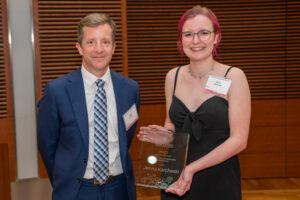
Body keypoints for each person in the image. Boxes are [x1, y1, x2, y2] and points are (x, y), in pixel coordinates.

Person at [137, 5, 251, 200]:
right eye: (188, 34)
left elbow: (239, 141)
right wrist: (164, 136)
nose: (196, 40)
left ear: (216, 37)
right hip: (176, 175)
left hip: (218, 176)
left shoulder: (234, 76)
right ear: (180, 40)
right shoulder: (173, 76)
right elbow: (173, 125)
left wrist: (192, 168)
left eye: (204, 33)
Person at [37, 13, 140, 200]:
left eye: (105, 42)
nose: (98, 49)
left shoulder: (130, 89)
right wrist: (64, 179)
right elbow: (47, 145)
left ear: (114, 47)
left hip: (119, 188)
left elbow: (127, 135)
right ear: (79, 48)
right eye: (91, 42)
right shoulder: (56, 91)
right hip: (76, 190)